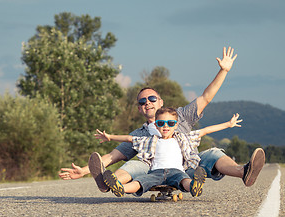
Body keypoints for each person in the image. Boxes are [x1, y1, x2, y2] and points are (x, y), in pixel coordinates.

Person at [59, 46, 266, 193]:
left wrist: (223, 70)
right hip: (153, 169)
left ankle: (244, 172)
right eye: (142, 102)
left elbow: (206, 97)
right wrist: (85, 171)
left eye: (151, 98)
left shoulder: (181, 116)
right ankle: (108, 183)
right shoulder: (139, 135)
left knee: (212, 153)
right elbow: (111, 157)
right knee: (132, 166)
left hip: (188, 166)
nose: (147, 103)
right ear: (140, 109)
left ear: (160, 101)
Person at [95, 108, 243, 198]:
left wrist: (228, 124)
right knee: (141, 182)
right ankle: (120, 188)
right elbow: (129, 138)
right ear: (156, 125)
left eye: (170, 123)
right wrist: (110, 137)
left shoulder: (183, 138)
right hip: (156, 172)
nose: (166, 126)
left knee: (184, 180)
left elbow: (205, 130)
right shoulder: (150, 140)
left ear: (176, 125)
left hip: (176, 171)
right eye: (161, 123)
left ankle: (195, 186)